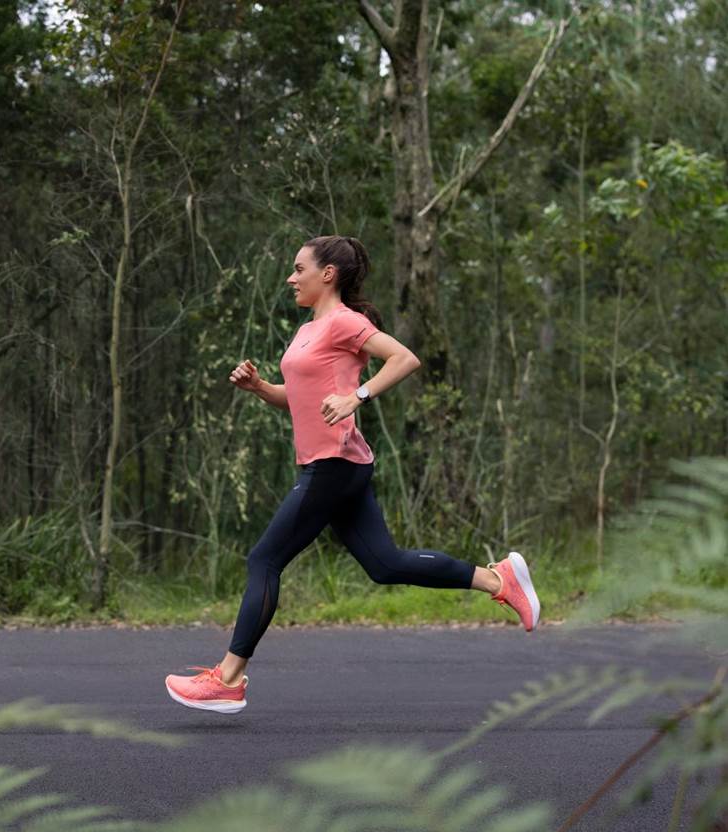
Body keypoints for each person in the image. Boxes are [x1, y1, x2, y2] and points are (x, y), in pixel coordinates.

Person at [165, 235, 540, 714]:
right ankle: (498, 579)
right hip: (334, 464)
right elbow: (298, 398)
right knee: (385, 565)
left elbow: (404, 358)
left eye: (299, 268)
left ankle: (229, 678)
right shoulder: (308, 329)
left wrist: (356, 397)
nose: (291, 277)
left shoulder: (346, 321)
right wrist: (260, 387)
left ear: (328, 274)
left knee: (264, 559)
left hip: (333, 464)